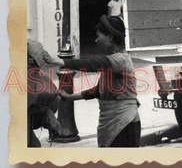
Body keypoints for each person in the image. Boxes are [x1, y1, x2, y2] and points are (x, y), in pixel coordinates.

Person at [43, 16, 141, 147]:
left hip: (124, 123)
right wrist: (70, 97)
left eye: (98, 36)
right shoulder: (113, 61)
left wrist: (59, 62)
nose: (96, 40)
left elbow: (93, 64)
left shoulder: (120, 59)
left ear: (110, 37)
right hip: (114, 123)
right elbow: (99, 90)